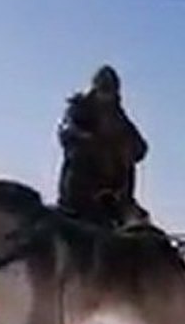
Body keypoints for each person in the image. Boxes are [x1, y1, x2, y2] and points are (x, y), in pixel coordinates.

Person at [56, 65, 148, 227]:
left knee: (139, 227)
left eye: (111, 90)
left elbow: (140, 147)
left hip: (116, 194)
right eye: (104, 89)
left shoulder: (118, 116)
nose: (107, 96)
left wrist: (127, 150)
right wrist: (89, 139)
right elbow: (67, 134)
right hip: (81, 191)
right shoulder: (80, 110)